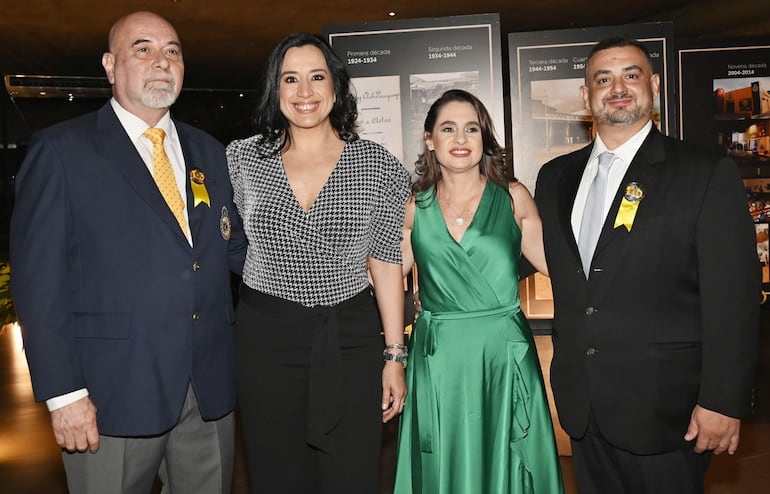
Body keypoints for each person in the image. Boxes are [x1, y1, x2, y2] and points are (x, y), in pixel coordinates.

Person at [10, 11, 246, 493]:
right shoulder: (62, 152)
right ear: (110, 65)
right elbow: (39, 284)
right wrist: (64, 395)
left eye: (173, 50)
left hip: (207, 391)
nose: (161, 61)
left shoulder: (210, 152)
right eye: (143, 48)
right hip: (110, 396)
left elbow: (235, 251)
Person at [535, 36, 760, 493]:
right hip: (585, 408)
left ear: (654, 85)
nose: (617, 87)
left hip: (667, 412)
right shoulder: (555, 177)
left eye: (630, 75)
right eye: (603, 79)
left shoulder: (703, 171)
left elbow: (733, 296)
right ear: (586, 95)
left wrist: (722, 400)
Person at [225, 32, 411, 493]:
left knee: (352, 474)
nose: (304, 93)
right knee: (276, 475)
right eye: (291, 79)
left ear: (336, 86)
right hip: (265, 343)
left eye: (316, 77)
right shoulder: (241, 159)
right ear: (276, 88)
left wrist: (393, 356)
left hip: (349, 340)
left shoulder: (376, 164)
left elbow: (386, 263)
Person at [394, 89, 564, 493]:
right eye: (448, 129)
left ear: (484, 138)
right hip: (439, 358)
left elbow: (560, 266)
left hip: (501, 354)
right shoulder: (414, 207)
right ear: (429, 139)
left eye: (471, 129)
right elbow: (381, 276)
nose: (460, 139)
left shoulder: (513, 197)